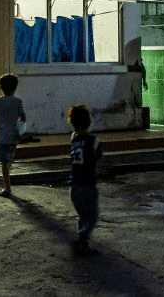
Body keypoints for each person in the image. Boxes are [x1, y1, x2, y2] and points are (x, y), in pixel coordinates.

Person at [67, 103, 103, 257]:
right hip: (87, 185)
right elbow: (98, 153)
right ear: (89, 122)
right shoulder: (92, 140)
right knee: (92, 216)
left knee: (83, 215)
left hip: (74, 186)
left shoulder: (74, 141)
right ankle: (82, 239)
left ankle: (84, 245)